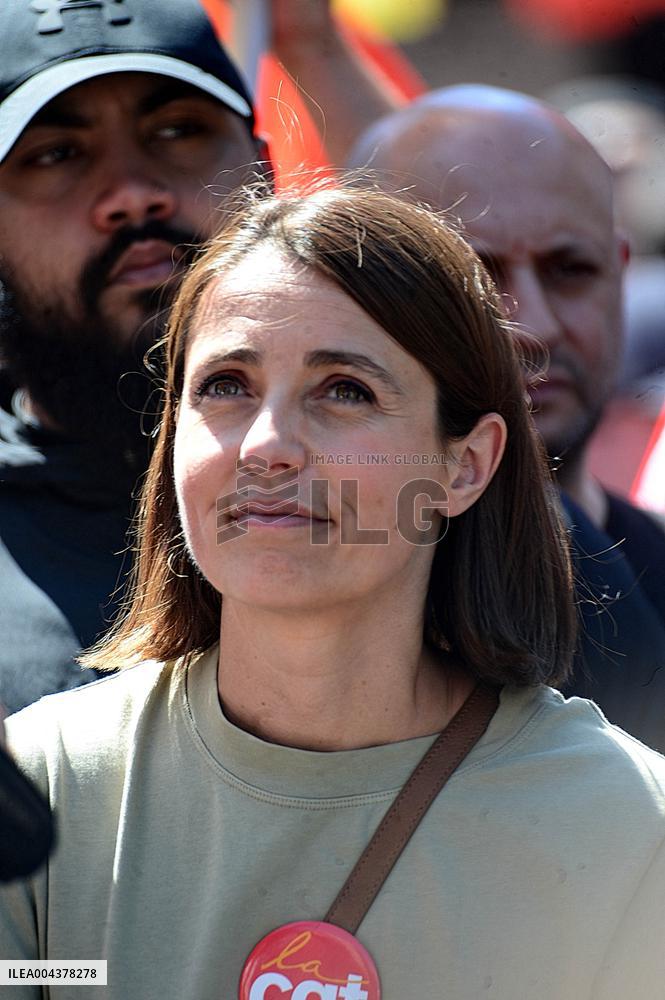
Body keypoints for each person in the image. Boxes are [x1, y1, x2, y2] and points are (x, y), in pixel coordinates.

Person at [2, 186, 665, 997]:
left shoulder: (626, 826)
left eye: (344, 389)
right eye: (225, 386)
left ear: (464, 465)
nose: (268, 445)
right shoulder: (40, 790)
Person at [0, 0, 395, 714]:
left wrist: (318, 51)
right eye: (57, 154)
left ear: (267, 174)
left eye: (178, 131)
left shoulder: (419, 485)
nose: (133, 195)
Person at [348, 85, 665, 749]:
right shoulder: (299, 597)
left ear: (619, 271)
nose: (535, 325)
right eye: (477, 276)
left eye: (570, 270)